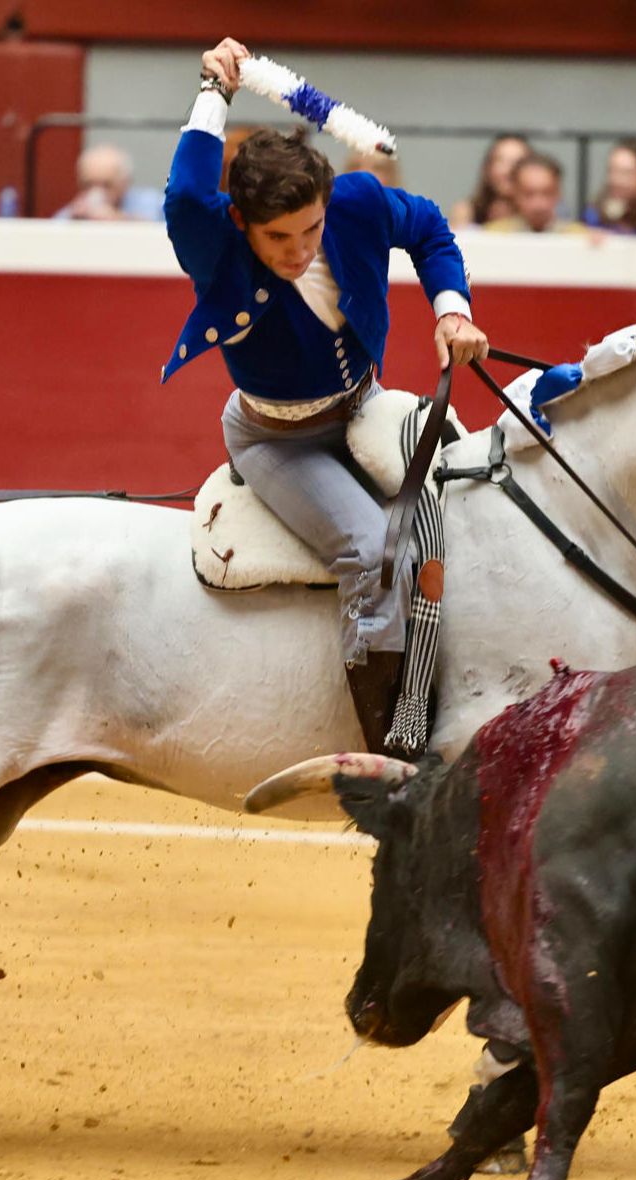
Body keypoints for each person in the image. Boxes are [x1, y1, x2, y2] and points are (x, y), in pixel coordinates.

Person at [162, 36, 487, 753]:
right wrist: (214, 91)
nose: (300, 248)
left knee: (474, 508)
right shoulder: (212, 241)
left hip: (365, 405)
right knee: (371, 550)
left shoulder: (358, 201)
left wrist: (451, 309)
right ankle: (389, 746)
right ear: (241, 221)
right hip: (276, 438)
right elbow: (186, 192)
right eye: (278, 236)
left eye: (311, 226)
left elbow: (430, 229)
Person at [482, 153, 589, 235]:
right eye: (528, 194)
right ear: (515, 193)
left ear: (559, 193)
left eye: (547, 193)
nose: (538, 204)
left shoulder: (580, 237)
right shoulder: (492, 235)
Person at [54, 144, 164, 222]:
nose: (96, 191)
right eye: (88, 185)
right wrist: (74, 223)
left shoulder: (151, 202)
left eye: (106, 185)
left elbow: (169, 233)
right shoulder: (75, 213)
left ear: (125, 182)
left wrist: (119, 220)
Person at [450, 133, 531, 228]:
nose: (508, 170)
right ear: (488, 167)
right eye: (501, 161)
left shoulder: (539, 218)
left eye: (518, 162)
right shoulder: (466, 212)